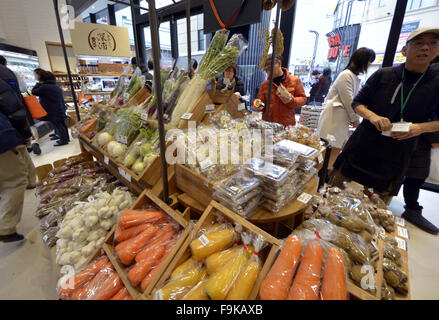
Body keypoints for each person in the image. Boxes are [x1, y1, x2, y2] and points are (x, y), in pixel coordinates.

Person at [329, 27, 439, 233]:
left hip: (397, 154)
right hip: (363, 145)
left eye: (433, 43)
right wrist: (373, 116)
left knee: (373, 213)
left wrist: (419, 128)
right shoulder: (384, 74)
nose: (425, 47)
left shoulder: (436, 82)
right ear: (405, 50)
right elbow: (358, 102)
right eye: (418, 42)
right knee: (334, 197)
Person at [317, 48, 376, 170]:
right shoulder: (346, 75)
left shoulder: (352, 76)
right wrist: (355, 120)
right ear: (362, 61)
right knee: (329, 149)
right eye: (370, 61)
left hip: (338, 119)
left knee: (334, 148)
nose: (370, 64)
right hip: (334, 119)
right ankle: (322, 176)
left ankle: (323, 175)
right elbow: (349, 101)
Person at [401, 54, 439, 234]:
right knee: (403, 171)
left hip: (422, 136)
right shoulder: (400, 75)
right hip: (402, 133)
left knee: (416, 174)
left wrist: (430, 133)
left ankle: (412, 210)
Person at [0, 63, 33, 242]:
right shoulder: (5, 74)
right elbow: (14, 109)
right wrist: (24, 133)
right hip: (3, 136)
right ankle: (5, 227)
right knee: (14, 180)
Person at [252, 54, 307, 127]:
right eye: (266, 70)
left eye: (270, 68)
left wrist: (292, 100)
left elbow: (303, 98)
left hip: (286, 125)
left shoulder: (295, 81)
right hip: (268, 124)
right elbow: (261, 104)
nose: (268, 72)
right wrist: (256, 104)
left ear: (279, 63)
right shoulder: (264, 85)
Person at [32, 69, 70, 146]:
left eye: (35, 75)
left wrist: (38, 83)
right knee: (61, 124)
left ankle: (63, 140)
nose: (35, 76)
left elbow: (34, 92)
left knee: (58, 124)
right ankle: (65, 138)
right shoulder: (53, 85)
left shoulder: (45, 87)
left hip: (53, 109)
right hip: (57, 108)